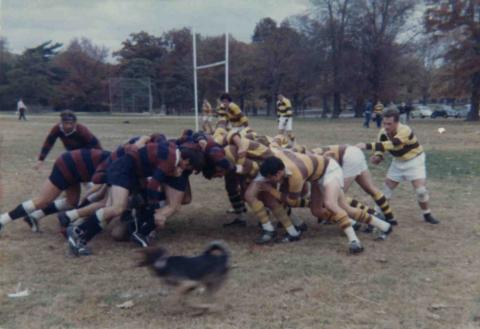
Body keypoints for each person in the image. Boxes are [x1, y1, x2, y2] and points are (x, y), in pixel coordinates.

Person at [66, 142, 205, 256]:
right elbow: (153, 185)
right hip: (122, 170)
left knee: (123, 206)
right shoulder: (170, 159)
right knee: (118, 208)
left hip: (128, 172)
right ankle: (79, 230)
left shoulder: (172, 152)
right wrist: (154, 212)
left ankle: (82, 239)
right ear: (186, 160)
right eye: (190, 167)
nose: (188, 170)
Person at [255, 153, 392, 252]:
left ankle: (354, 241)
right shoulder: (280, 161)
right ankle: (384, 225)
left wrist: (270, 190)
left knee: (331, 204)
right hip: (318, 176)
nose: (271, 181)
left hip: (330, 170)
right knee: (319, 211)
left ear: (279, 173)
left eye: (270, 178)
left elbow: (291, 201)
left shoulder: (295, 175)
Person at [356, 108, 439, 225]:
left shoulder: (405, 130)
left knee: (421, 191)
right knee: (386, 191)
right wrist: (378, 156)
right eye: (384, 123)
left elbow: (394, 143)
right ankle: (377, 215)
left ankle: (427, 214)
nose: (386, 126)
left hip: (414, 160)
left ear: (397, 122)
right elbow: (382, 147)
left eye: (389, 124)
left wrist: (366, 145)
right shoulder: (383, 132)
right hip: (398, 162)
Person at [0, 149, 111, 233]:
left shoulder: (118, 161)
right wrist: (86, 199)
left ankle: (33, 217)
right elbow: (97, 188)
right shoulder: (117, 164)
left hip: (76, 169)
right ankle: (2, 220)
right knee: (42, 201)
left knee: (71, 202)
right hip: (68, 164)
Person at [34, 110, 102, 170]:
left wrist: (101, 158)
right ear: (61, 122)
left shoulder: (81, 129)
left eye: (71, 123)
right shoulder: (57, 129)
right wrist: (41, 159)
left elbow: (95, 143)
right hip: (71, 151)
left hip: (85, 150)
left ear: (75, 123)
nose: (68, 126)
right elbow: (49, 143)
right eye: (65, 123)